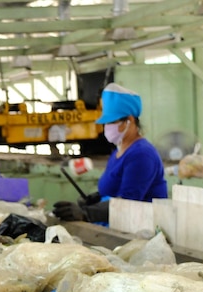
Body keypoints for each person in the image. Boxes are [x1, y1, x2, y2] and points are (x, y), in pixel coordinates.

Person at [53, 83, 168, 223]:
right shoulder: (118, 152)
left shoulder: (142, 155)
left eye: (112, 122)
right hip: (118, 226)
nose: (107, 127)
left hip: (141, 229)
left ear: (129, 120)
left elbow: (129, 204)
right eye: (106, 123)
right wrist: (95, 199)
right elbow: (114, 192)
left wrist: (87, 213)